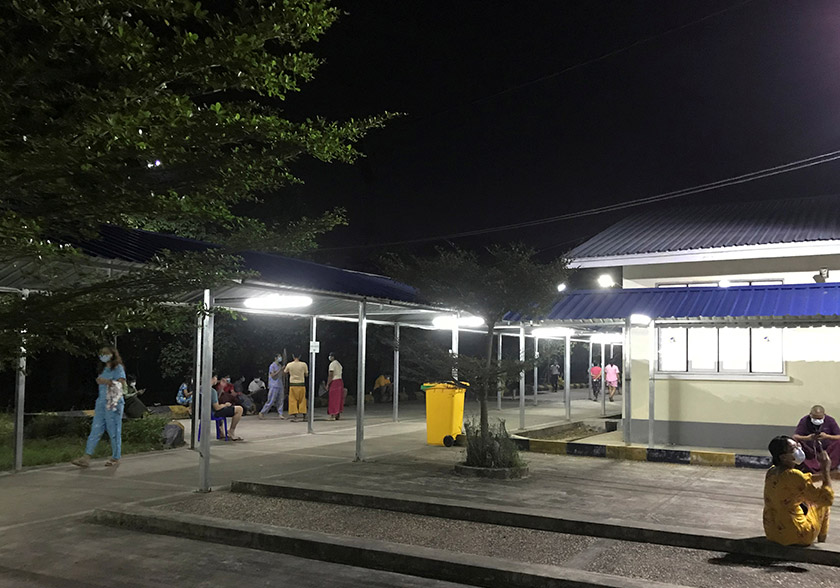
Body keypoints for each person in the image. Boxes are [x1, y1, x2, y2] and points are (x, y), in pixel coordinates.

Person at [764, 435, 833, 545]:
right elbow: (826, 498)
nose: (798, 450)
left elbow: (802, 479)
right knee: (822, 506)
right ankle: (822, 543)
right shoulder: (794, 475)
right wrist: (825, 469)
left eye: (798, 446)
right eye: (793, 449)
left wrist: (828, 475)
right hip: (796, 534)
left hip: (772, 532)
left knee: (802, 501)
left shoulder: (771, 471)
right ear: (783, 457)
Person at [72, 346, 126, 468]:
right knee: (95, 428)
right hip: (101, 402)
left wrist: (106, 382)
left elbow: (121, 383)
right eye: (101, 354)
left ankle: (116, 457)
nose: (103, 356)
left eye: (106, 353)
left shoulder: (118, 368)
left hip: (113, 402)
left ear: (112, 354)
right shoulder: (102, 369)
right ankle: (86, 457)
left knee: (114, 430)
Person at [793, 405, 840, 473]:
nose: (817, 420)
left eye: (819, 418)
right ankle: (812, 467)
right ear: (810, 415)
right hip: (810, 451)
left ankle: (831, 466)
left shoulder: (830, 420)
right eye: (815, 418)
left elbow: (838, 436)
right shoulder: (804, 420)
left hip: (828, 450)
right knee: (796, 443)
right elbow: (795, 436)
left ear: (824, 415)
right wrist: (808, 438)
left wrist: (827, 436)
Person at [210, 374, 244, 441]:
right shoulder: (212, 391)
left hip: (206, 411)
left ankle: (221, 431)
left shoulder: (201, 388)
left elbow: (216, 399)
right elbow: (217, 407)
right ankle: (231, 431)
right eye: (216, 378)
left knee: (223, 409)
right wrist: (225, 405)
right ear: (213, 378)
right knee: (239, 409)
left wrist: (221, 388)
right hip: (213, 412)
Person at [284, 352, 309, 422]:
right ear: (300, 356)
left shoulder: (289, 364)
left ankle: (295, 416)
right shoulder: (304, 364)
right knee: (302, 400)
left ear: (293, 356)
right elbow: (306, 374)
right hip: (301, 384)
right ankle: (304, 415)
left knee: (293, 400)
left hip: (293, 384)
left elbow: (285, 372)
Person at [260, 353, 286, 420]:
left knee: (280, 400)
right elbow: (272, 375)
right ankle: (262, 412)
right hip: (273, 385)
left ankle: (280, 413)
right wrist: (280, 370)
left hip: (280, 384)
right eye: (279, 357)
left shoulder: (280, 366)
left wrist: (283, 370)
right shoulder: (272, 366)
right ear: (275, 358)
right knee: (271, 400)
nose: (280, 358)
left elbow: (282, 375)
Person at [327, 352, 344, 420]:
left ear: (333, 357)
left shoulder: (332, 364)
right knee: (339, 398)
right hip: (340, 381)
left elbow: (331, 375)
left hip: (334, 381)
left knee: (333, 399)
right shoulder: (339, 364)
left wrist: (328, 384)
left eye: (330, 356)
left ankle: (332, 415)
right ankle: (338, 414)